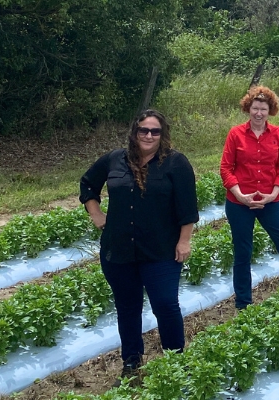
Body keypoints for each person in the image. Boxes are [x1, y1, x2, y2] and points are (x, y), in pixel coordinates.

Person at [79, 109, 198, 384]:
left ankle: (175, 360)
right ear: (135, 132)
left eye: (155, 131)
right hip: (118, 251)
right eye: (143, 130)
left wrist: (184, 241)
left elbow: (188, 208)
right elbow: (88, 185)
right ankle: (131, 361)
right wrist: (96, 215)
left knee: (166, 305)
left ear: (162, 134)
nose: (148, 135)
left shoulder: (176, 163)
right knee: (127, 307)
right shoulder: (114, 159)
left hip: (161, 251)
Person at [219, 86, 279, 310]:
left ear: (270, 110)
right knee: (243, 253)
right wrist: (240, 195)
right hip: (240, 203)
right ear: (248, 108)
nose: (258, 113)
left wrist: (274, 193)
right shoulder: (235, 134)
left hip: (270, 202)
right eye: (255, 108)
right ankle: (243, 303)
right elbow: (226, 168)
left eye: (263, 109)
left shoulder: (278, 134)